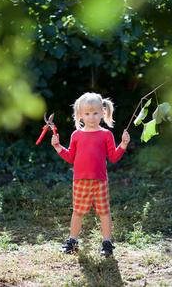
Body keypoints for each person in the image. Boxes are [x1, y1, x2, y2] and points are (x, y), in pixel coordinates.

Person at [51, 92, 130, 256]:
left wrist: (123, 144)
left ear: (102, 113)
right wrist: (58, 147)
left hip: (100, 182)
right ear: (80, 115)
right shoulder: (76, 135)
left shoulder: (106, 135)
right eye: (87, 113)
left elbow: (113, 158)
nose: (91, 117)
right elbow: (71, 158)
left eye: (95, 113)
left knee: (104, 212)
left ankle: (107, 244)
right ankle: (72, 242)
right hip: (80, 181)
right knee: (78, 212)